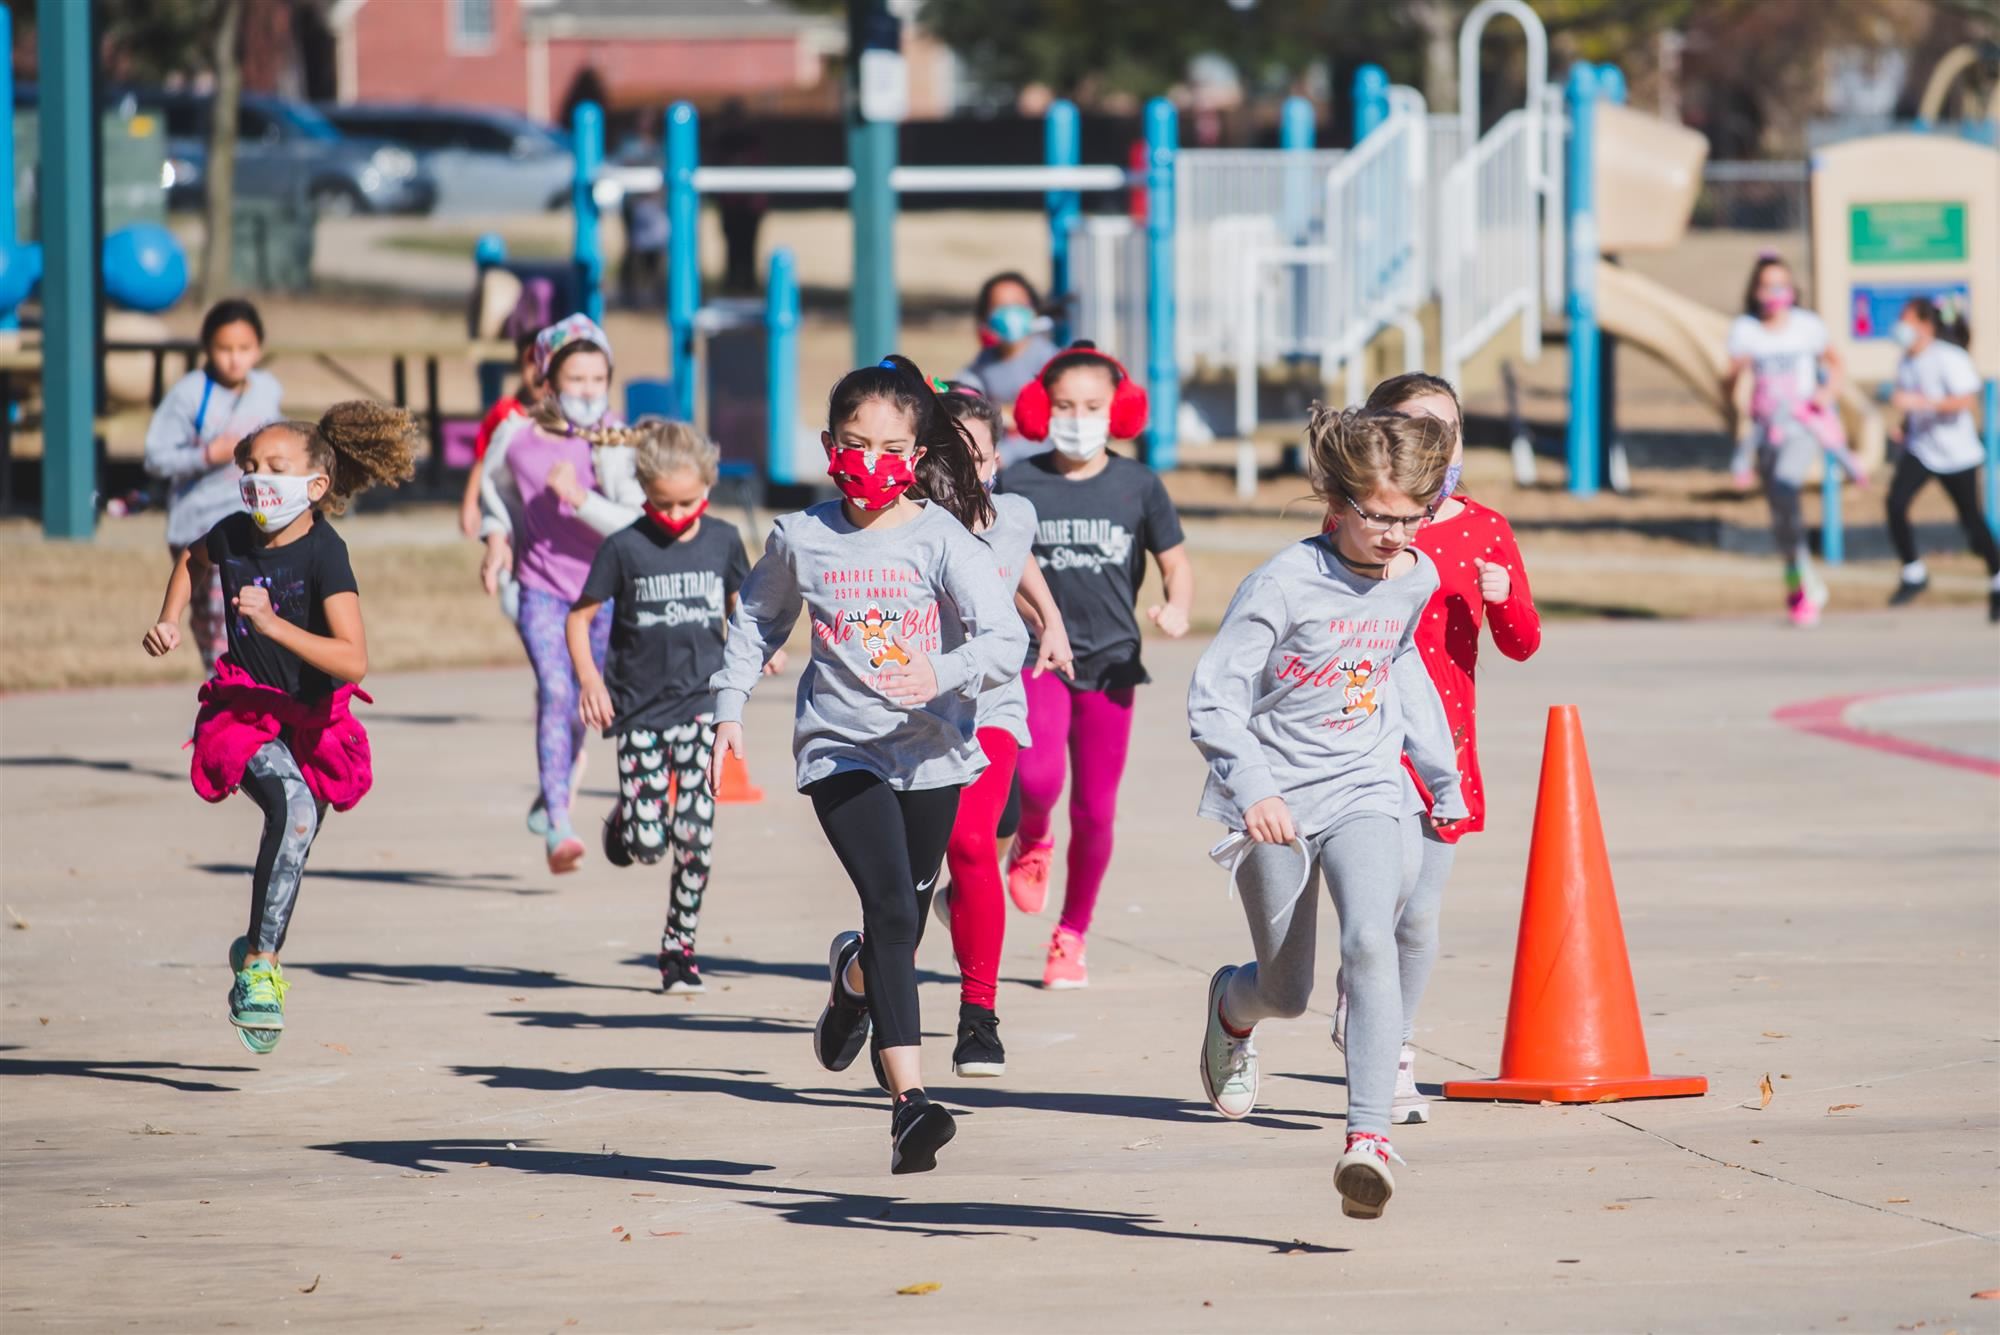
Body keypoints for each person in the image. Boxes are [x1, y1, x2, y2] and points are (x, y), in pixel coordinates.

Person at [708, 356, 1026, 1174]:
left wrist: (941, 674)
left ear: (916, 458)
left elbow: (1003, 639)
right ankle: (909, 1105)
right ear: (827, 445)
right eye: (855, 443)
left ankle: (852, 981)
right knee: (889, 906)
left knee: (900, 929)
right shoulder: (801, 536)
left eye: (891, 447)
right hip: (840, 748)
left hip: (934, 751)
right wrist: (730, 708)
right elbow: (756, 621)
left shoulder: (941, 537)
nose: (872, 461)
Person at [1189, 406, 1467, 1222]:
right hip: (1273, 799)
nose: (1395, 534)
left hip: (1367, 785)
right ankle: (1232, 1010)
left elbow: (1401, 662)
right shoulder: (1282, 583)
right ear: (1335, 505)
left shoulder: (1414, 575)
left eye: (1411, 517)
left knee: (1371, 937)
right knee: (1288, 987)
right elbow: (1214, 698)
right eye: (1379, 516)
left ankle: (1369, 1138)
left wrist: (1438, 770)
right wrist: (1256, 789)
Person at [141, 402, 418, 1052]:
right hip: (244, 708)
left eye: (276, 467)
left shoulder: (326, 553)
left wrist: (274, 625)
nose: (258, 479)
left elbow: (353, 658)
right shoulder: (234, 533)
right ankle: (263, 972)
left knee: (296, 837)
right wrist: (169, 619)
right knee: (292, 807)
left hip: (314, 718)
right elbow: (191, 557)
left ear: (315, 484)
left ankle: (256, 951)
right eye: (250, 467)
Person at [1343, 373, 1541, 1126]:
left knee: (1419, 916)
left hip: (1446, 749)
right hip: (1363, 739)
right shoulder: (1362, 523)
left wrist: (1503, 596)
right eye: (1414, 425)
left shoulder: (1485, 527)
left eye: (1447, 428)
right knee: (1382, 897)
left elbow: (1521, 643)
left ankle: (1396, 1045)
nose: (1435, 440)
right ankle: (1371, 1016)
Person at [995, 343, 1194, 990]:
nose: (1077, 417)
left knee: (1096, 810)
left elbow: (1175, 562)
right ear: (1038, 408)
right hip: (1037, 655)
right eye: (1062, 405)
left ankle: (1071, 935)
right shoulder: (1019, 482)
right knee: (1040, 775)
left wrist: (1178, 606)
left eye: (1092, 406)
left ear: (1120, 410)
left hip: (1111, 665)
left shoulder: (1140, 485)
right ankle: (1032, 837)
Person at [568, 421, 774, 994]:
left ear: (707, 487)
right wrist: (590, 681)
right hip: (637, 713)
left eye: (688, 501)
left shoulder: (724, 539)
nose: (677, 513)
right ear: (643, 493)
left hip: (702, 709)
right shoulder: (625, 547)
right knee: (649, 844)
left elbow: (745, 605)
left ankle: (678, 949)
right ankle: (627, 824)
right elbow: (579, 618)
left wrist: (758, 652)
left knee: (696, 838)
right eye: (663, 503)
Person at [930, 383, 1075, 1078]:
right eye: (948, 454)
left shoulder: (1014, 511)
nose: (964, 469)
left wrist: (1050, 619)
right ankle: (862, 976)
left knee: (971, 842)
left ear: (994, 462)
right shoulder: (906, 524)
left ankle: (978, 1015)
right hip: (912, 711)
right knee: (914, 876)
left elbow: (1014, 560)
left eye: (977, 456)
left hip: (992, 702)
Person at [478, 314, 637, 873]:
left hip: (600, 594)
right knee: (554, 688)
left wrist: (582, 495)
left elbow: (632, 522)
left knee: (582, 701)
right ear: (548, 382)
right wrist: (496, 541)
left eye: (599, 379)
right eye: (577, 380)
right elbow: (493, 493)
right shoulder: (516, 437)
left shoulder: (614, 440)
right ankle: (560, 824)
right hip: (540, 589)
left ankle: (557, 782)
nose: (589, 391)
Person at [144, 299, 284, 675]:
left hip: (252, 525)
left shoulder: (267, 389)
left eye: (244, 349)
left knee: (246, 616)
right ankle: (221, 685)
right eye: (225, 349)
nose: (235, 359)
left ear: (259, 348)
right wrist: (208, 455)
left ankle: (245, 688)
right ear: (208, 347)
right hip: (199, 526)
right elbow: (155, 456)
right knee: (214, 624)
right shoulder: (190, 393)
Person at [1724, 254, 1857, 628]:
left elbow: (1836, 363)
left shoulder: (1806, 327)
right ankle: (1799, 583)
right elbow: (1730, 388)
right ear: (1755, 290)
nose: (1774, 292)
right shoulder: (1746, 331)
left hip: (1800, 426)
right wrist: (1734, 375)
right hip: (1765, 429)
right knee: (1782, 518)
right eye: (1766, 285)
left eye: (1781, 284)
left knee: (1786, 482)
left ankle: (1805, 578)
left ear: (1792, 289)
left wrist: (1827, 394)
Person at [1882, 296, 2000, 622]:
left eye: (1907, 321)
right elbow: (1912, 406)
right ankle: (1913, 572)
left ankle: (1997, 578)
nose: (1901, 328)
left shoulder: (1949, 357)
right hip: (1922, 449)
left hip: (1957, 453)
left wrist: (1923, 403)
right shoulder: (1906, 361)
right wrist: (1904, 427)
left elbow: (1965, 401)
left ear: (1924, 325)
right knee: (1895, 503)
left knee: (1971, 521)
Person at [458, 282, 556, 541]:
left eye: (546, 363)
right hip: (510, 514)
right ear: (518, 366)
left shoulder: (565, 416)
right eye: (530, 361)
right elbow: (482, 460)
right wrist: (470, 504)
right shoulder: (505, 412)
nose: (538, 371)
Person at [954, 272, 1062, 465]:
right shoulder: (983, 363)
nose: (1011, 313)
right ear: (985, 316)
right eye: (1001, 306)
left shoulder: (1053, 362)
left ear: (1034, 310)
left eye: (1018, 304)